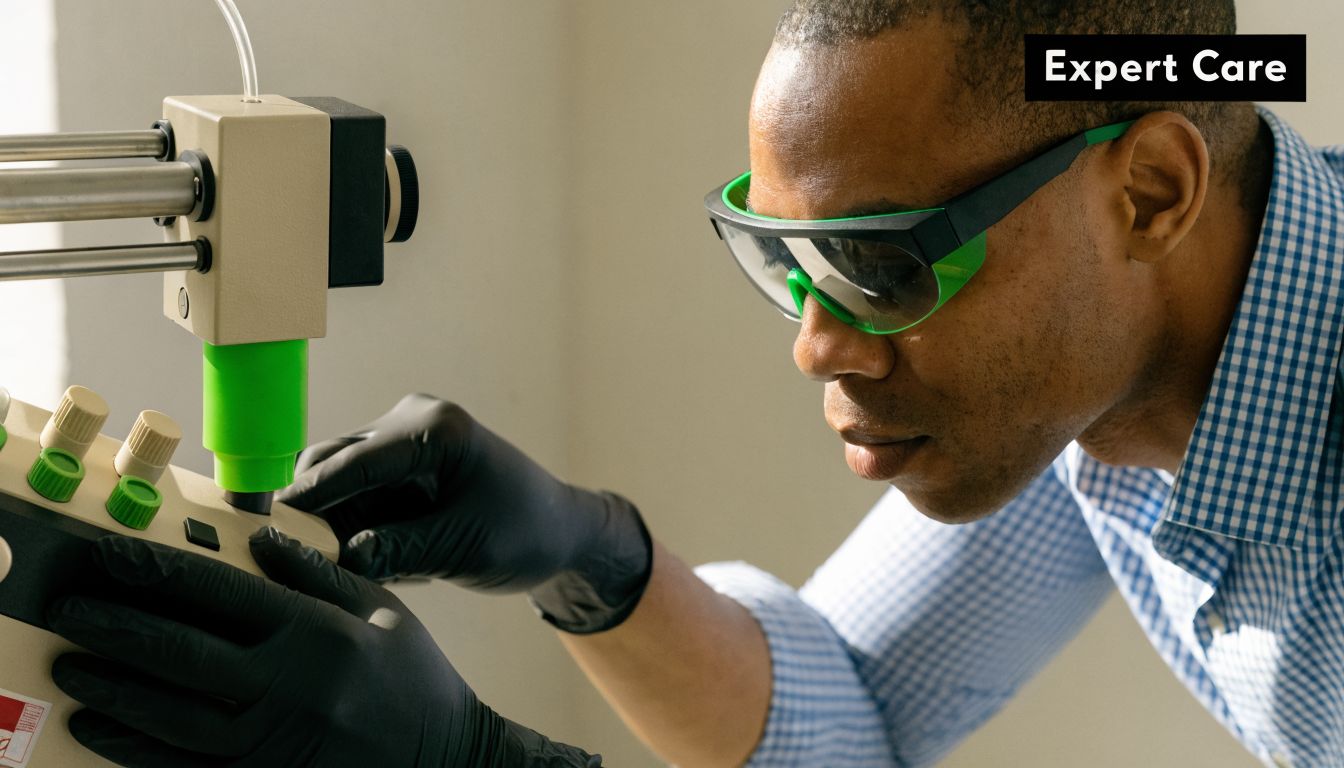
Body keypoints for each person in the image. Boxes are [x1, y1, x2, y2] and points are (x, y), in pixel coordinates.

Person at [46, 0, 1343, 765]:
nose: (818, 345)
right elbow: (860, 715)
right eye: (785, 258)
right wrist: (595, 560)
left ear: (1152, 192)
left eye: (881, 262)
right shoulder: (1101, 383)